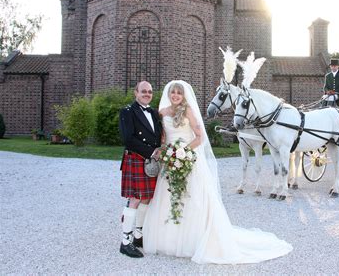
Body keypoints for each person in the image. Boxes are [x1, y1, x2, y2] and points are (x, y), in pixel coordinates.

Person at [143, 80, 293, 264]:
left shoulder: (188, 111)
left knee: (191, 198)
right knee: (169, 197)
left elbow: (199, 138)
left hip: (187, 158)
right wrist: (166, 152)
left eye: (178, 93)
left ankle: (191, 240)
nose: (175, 96)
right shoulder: (162, 112)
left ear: (183, 96)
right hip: (170, 160)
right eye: (173, 92)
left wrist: (182, 153)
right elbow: (163, 137)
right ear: (169, 94)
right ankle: (169, 240)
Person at [118, 81, 163, 258]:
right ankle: (125, 241)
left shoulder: (153, 112)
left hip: (150, 162)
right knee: (134, 199)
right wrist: (152, 152)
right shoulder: (127, 112)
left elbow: (157, 135)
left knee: (146, 199)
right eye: (143, 91)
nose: (147, 94)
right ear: (136, 93)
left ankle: (138, 235)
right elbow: (128, 139)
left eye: (150, 92)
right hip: (136, 158)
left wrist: (160, 150)